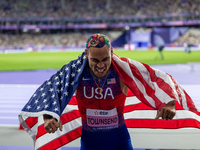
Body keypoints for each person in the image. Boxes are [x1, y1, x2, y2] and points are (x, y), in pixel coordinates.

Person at [19, 33, 198, 150]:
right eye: (95, 60)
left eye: (105, 59)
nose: (101, 65)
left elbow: (154, 79)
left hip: (119, 140)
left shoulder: (123, 71)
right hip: (90, 142)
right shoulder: (75, 74)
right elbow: (54, 90)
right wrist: (49, 116)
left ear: (112, 53)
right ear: (86, 54)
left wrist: (170, 102)